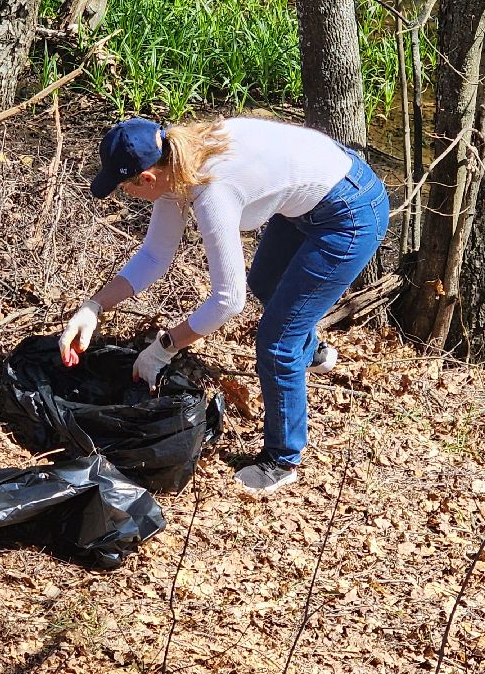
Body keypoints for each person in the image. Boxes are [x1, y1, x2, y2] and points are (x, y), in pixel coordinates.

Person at [59, 115, 389, 497]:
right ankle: (312, 351)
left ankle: (282, 460)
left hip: (349, 211)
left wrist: (164, 348)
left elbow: (228, 302)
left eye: (123, 188)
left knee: (277, 342)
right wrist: (93, 307)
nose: (125, 195)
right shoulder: (178, 161)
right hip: (309, 199)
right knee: (266, 283)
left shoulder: (213, 189)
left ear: (146, 178)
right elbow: (154, 257)